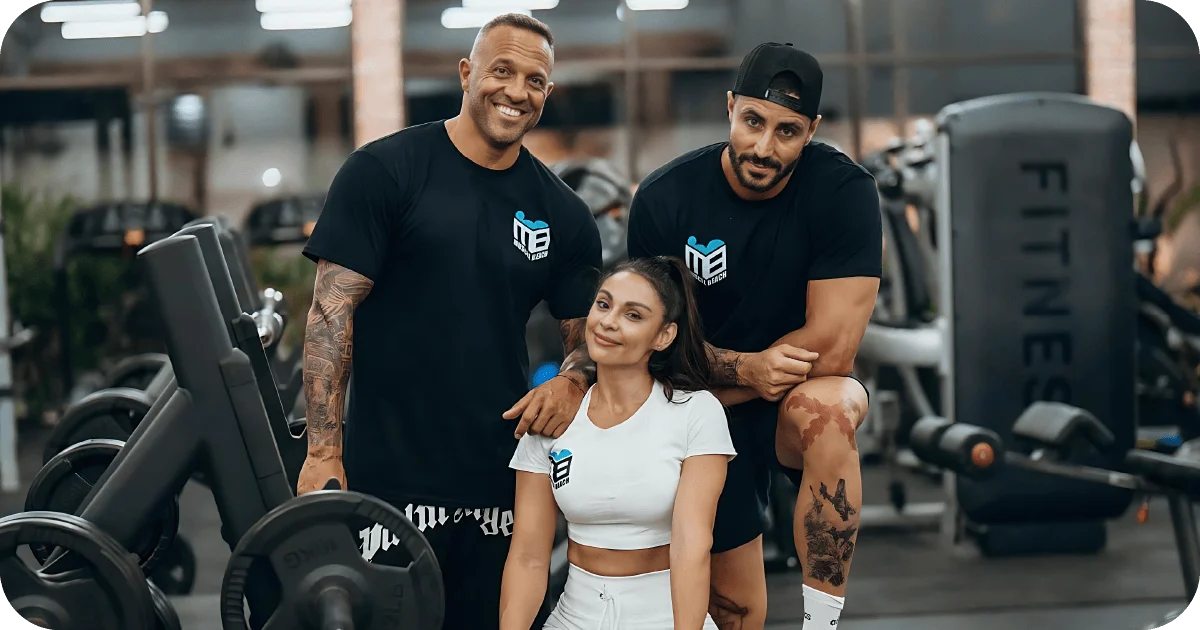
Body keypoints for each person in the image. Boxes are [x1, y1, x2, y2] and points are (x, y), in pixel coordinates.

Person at [296, 13, 602, 630]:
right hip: (387, 480)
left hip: (501, 479)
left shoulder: (563, 214)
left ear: (548, 93)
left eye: (535, 80)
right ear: (467, 74)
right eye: (502, 71)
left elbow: (589, 344)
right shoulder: (385, 172)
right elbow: (331, 314)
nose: (517, 91)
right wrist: (324, 451)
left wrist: (572, 381)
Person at [621, 43, 882, 630]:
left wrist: (753, 377)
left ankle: (822, 624)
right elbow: (654, 348)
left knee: (831, 407)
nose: (765, 147)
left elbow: (836, 349)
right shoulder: (665, 199)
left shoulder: (844, 192)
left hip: (790, 394)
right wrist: (746, 371)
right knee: (740, 614)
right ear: (731, 107)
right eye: (753, 122)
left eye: (788, 131)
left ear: (812, 130)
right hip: (700, 407)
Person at [500, 256, 736, 630]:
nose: (608, 322)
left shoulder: (696, 413)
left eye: (634, 315)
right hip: (573, 618)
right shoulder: (554, 416)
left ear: (664, 336)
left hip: (665, 616)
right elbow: (528, 556)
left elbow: (692, 548)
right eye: (604, 304)